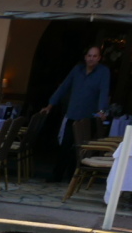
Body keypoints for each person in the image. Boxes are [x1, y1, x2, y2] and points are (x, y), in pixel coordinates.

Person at [42, 45, 111, 182]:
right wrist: (50, 105)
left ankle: (74, 177)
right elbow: (64, 87)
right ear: (85, 57)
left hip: (89, 117)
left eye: (94, 56)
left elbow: (104, 91)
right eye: (89, 56)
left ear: (99, 58)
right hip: (73, 114)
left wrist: (102, 111)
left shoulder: (104, 72)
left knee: (80, 149)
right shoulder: (77, 69)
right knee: (65, 146)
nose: (91, 58)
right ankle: (57, 176)